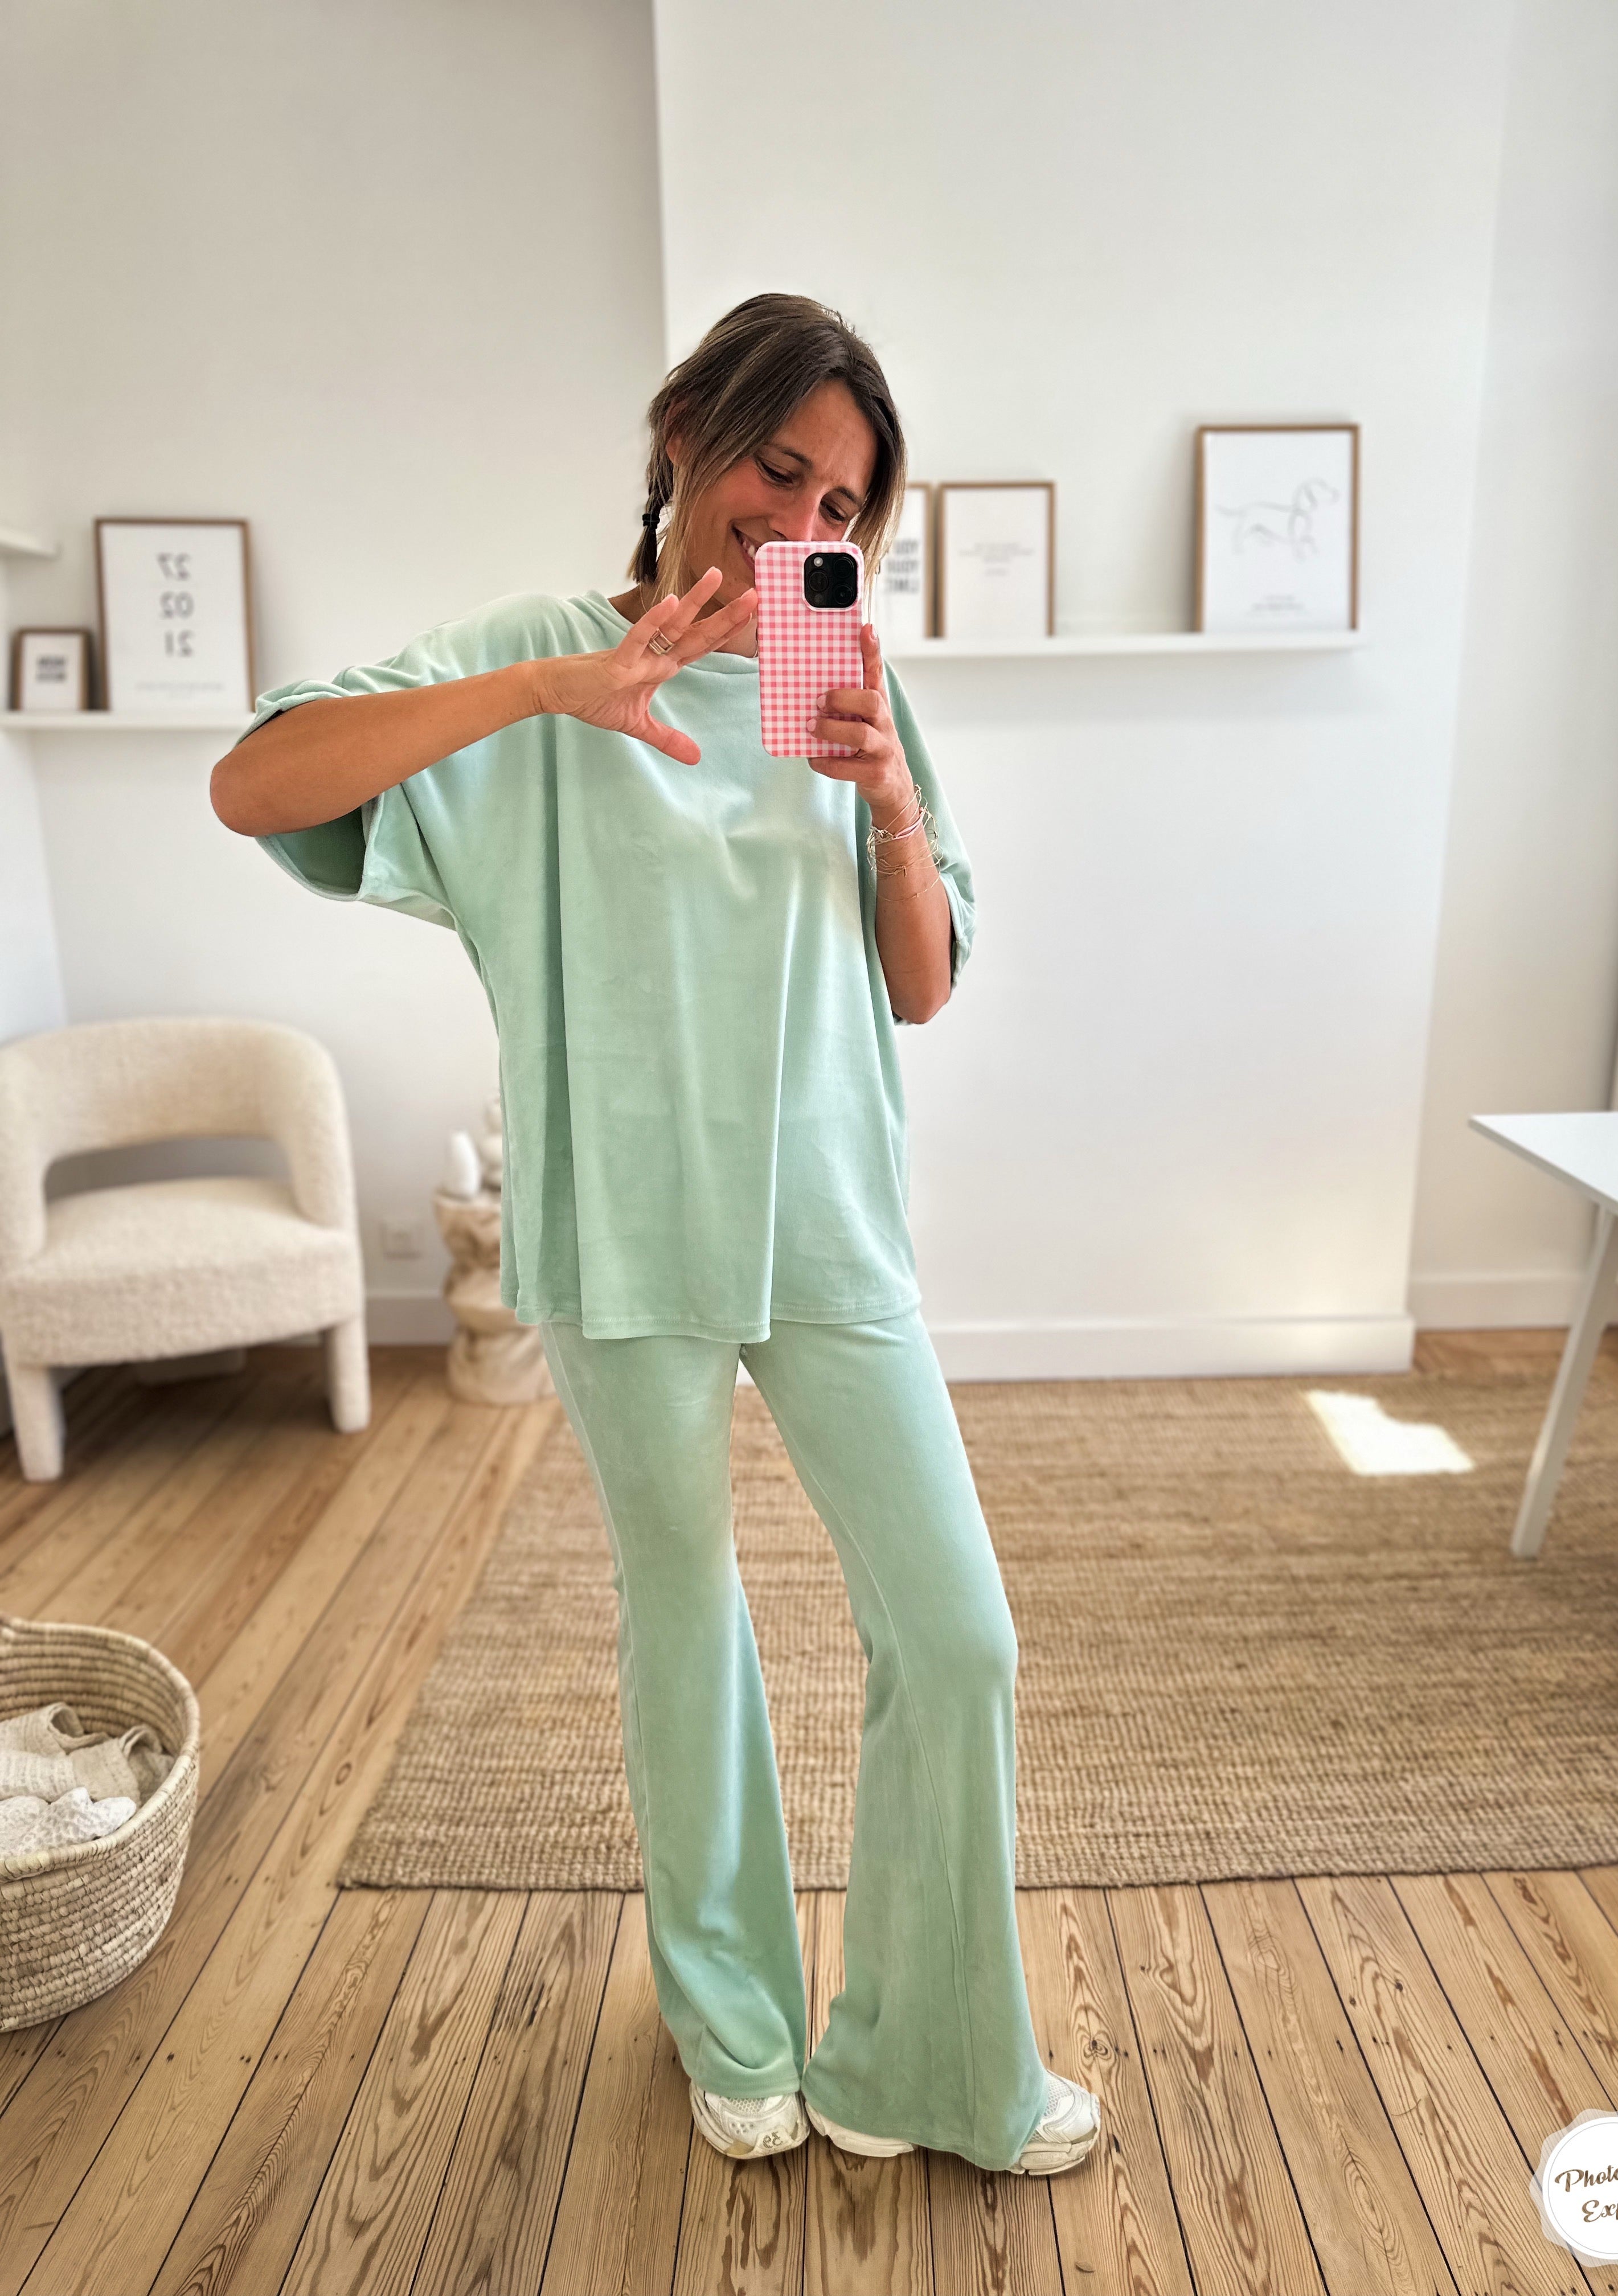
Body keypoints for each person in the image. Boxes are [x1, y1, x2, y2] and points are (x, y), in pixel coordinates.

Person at [209, 292, 1102, 2179]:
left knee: (958, 1633)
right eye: (778, 470)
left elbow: (923, 986)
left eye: (843, 508)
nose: (801, 527)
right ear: (685, 430)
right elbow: (255, 785)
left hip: (829, 1214)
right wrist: (555, 692)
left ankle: (927, 2063)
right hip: (622, 1221)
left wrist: (886, 798)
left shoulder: (839, 681)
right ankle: (737, 2026)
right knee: (687, 1621)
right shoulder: (537, 654)